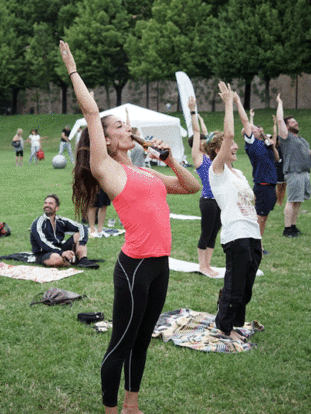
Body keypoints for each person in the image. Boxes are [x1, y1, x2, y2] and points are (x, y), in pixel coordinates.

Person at [60, 40, 200, 414]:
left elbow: (193, 186)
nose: (128, 128)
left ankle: (131, 406)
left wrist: (169, 159)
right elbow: (91, 112)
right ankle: (110, 411)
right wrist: (73, 69)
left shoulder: (142, 169)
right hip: (135, 267)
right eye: (120, 125)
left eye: (127, 124)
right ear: (105, 139)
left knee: (142, 341)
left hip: (160, 265)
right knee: (121, 342)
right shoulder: (108, 169)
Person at [209, 82, 262, 342]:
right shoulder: (215, 172)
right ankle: (223, 328)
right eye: (229, 146)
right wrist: (229, 102)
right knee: (235, 283)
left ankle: (232, 322)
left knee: (247, 286)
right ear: (219, 150)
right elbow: (229, 134)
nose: (235, 147)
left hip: (252, 233)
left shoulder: (239, 173)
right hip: (235, 234)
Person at [276, 94, 311, 237]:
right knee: (291, 200)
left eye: (296, 121)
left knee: (298, 201)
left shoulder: (301, 139)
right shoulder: (286, 137)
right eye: (293, 122)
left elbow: (307, 155)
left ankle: (293, 226)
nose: (296, 123)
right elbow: (279, 120)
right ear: (287, 126)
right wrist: (280, 103)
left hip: (303, 173)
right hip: (294, 172)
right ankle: (287, 229)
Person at [237, 104, 278, 254]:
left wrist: (270, 143)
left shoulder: (263, 144)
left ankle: (256, 244)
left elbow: (276, 157)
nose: (257, 129)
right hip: (262, 185)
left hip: (270, 185)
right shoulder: (251, 145)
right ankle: (256, 246)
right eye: (253, 129)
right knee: (260, 218)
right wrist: (249, 117)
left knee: (264, 217)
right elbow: (246, 124)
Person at [188, 95, 221, 277]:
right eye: (201, 140)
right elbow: (196, 131)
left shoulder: (209, 155)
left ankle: (208, 265)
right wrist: (193, 112)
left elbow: (208, 135)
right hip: (208, 200)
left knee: (214, 233)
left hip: (219, 199)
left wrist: (201, 120)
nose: (205, 141)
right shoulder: (198, 158)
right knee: (206, 233)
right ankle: (202, 265)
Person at [30, 194, 89, 266]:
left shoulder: (61, 221)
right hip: (44, 252)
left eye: (50, 203)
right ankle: (69, 262)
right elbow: (43, 243)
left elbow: (82, 227)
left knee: (78, 235)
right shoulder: (38, 223)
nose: (47, 205)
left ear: (57, 208)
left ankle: (83, 260)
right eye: (45, 203)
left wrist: (81, 243)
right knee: (56, 259)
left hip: (60, 249)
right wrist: (61, 253)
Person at [273, 115, 287, 206]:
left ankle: (281, 201)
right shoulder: (275, 148)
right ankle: (278, 202)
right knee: (279, 186)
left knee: (284, 186)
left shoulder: (284, 147)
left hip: (285, 168)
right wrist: (276, 124)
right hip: (278, 168)